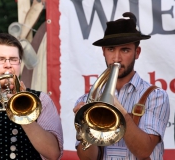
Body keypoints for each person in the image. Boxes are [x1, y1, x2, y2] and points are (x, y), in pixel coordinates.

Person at [73, 12, 170, 160]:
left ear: (137, 52)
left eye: (125, 50)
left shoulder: (156, 96)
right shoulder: (88, 100)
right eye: (111, 49)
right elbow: (87, 158)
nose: (116, 58)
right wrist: (84, 128)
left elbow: (144, 151)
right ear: (103, 52)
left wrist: (121, 112)